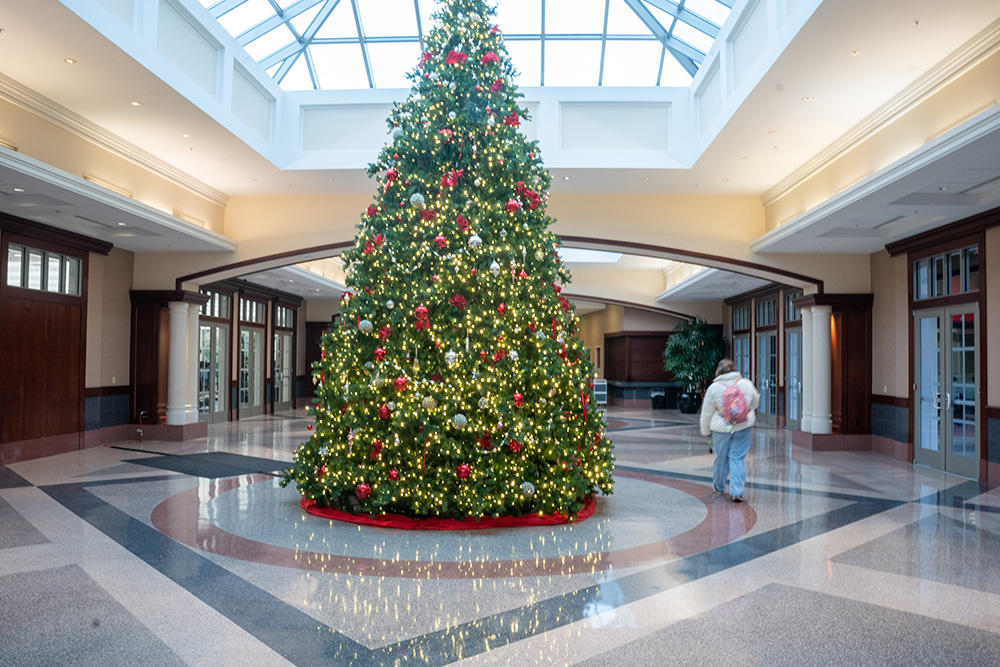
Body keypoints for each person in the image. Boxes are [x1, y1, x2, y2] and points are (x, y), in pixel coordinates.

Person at [699, 358, 760, 502]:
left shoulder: (713, 388)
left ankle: (719, 488)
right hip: (743, 427)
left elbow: (706, 413)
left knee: (721, 459)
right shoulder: (746, 384)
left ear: (718, 371)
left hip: (721, 429)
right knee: (738, 458)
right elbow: (755, 402)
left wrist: (706, 432)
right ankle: (736, 492)